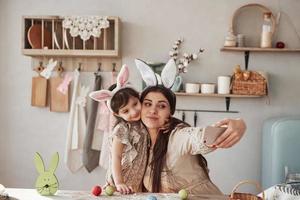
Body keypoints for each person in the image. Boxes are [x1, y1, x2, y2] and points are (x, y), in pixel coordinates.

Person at [135, 58, 246, 195]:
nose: (153, 110)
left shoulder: (178, 136)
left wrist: (239, 124)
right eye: (147, 104)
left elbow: (199, 136)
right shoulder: (139, 143)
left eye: (161, 106)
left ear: (170, 112)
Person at [89, 65, 149, 194]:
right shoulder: (121, 129)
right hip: (119, 181)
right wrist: (119, 182)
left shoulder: (143, 124)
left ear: (139, 98)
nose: (133, 112)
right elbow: (116, 156)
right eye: (126, 111)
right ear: (117, 114)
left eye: (135, 104)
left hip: (136, 182)